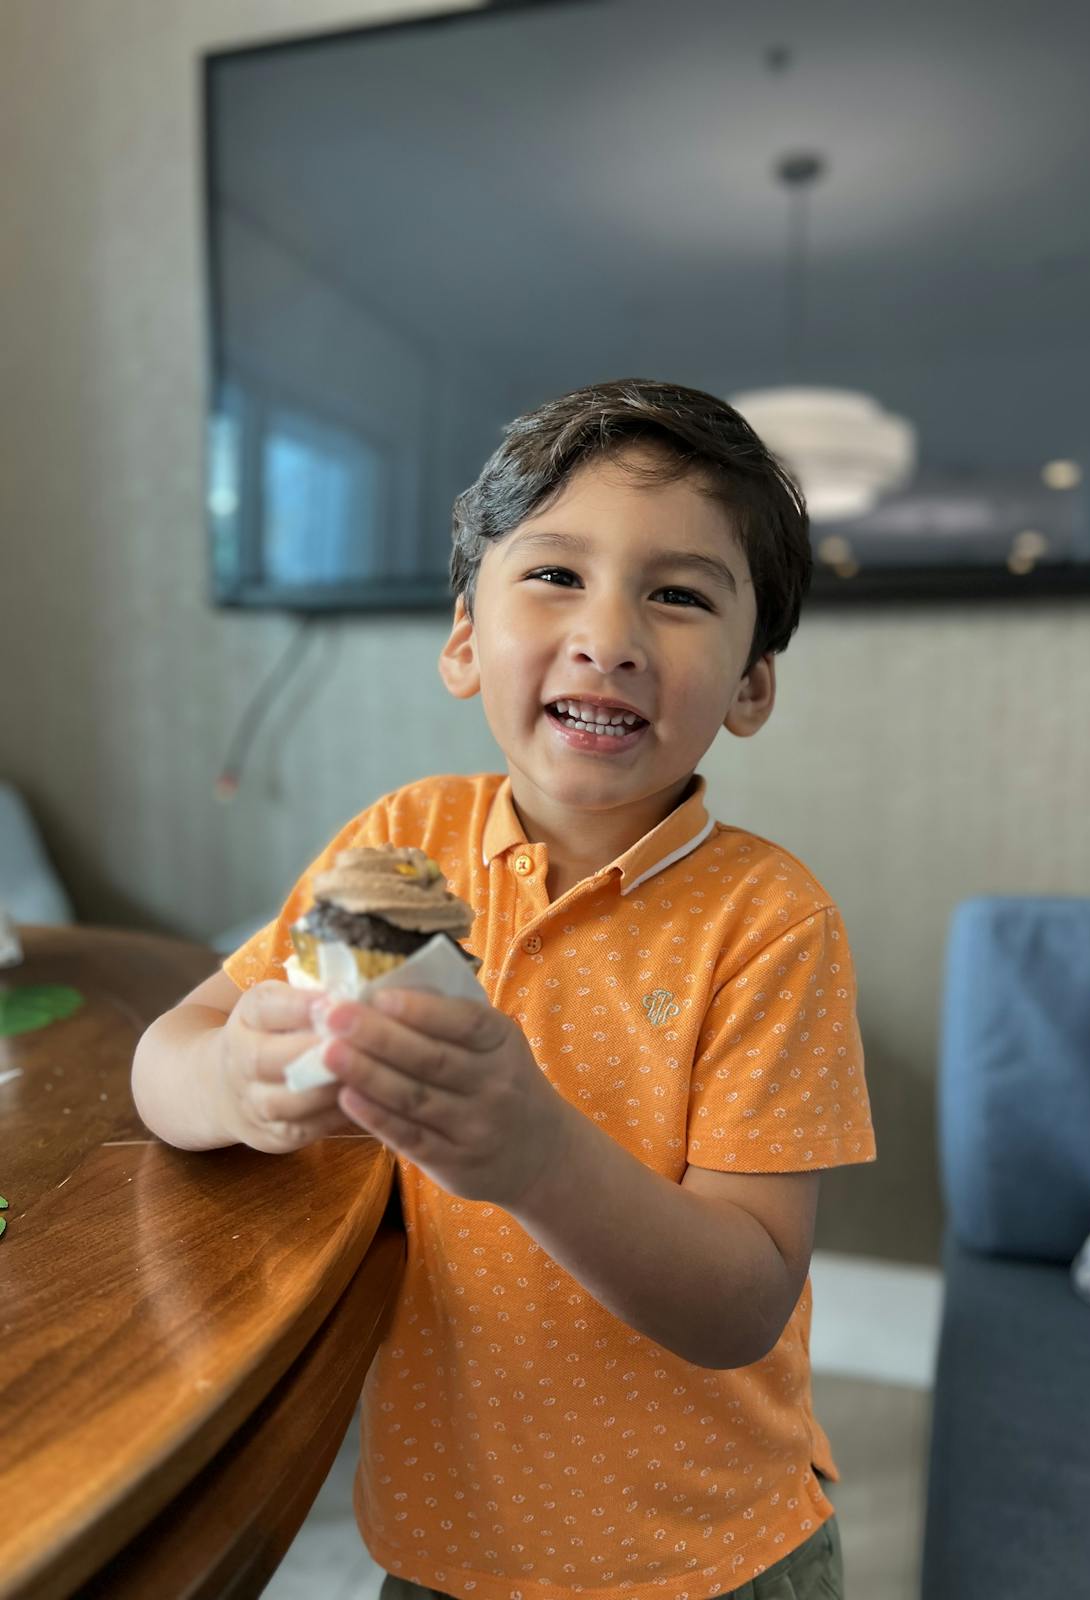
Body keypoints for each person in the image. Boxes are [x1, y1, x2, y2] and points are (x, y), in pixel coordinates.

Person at [132, 378, 875, 1600]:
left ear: (750, 685)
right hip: (444, 1543)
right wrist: (236, 1081)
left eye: (680, 594)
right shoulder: (405, 850)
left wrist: (537, 1161)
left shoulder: (770, 922)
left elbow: (745, 1297)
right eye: (554, 576)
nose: (611, 633)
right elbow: (171, 1050)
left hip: (702, 1560)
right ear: (467, 638)